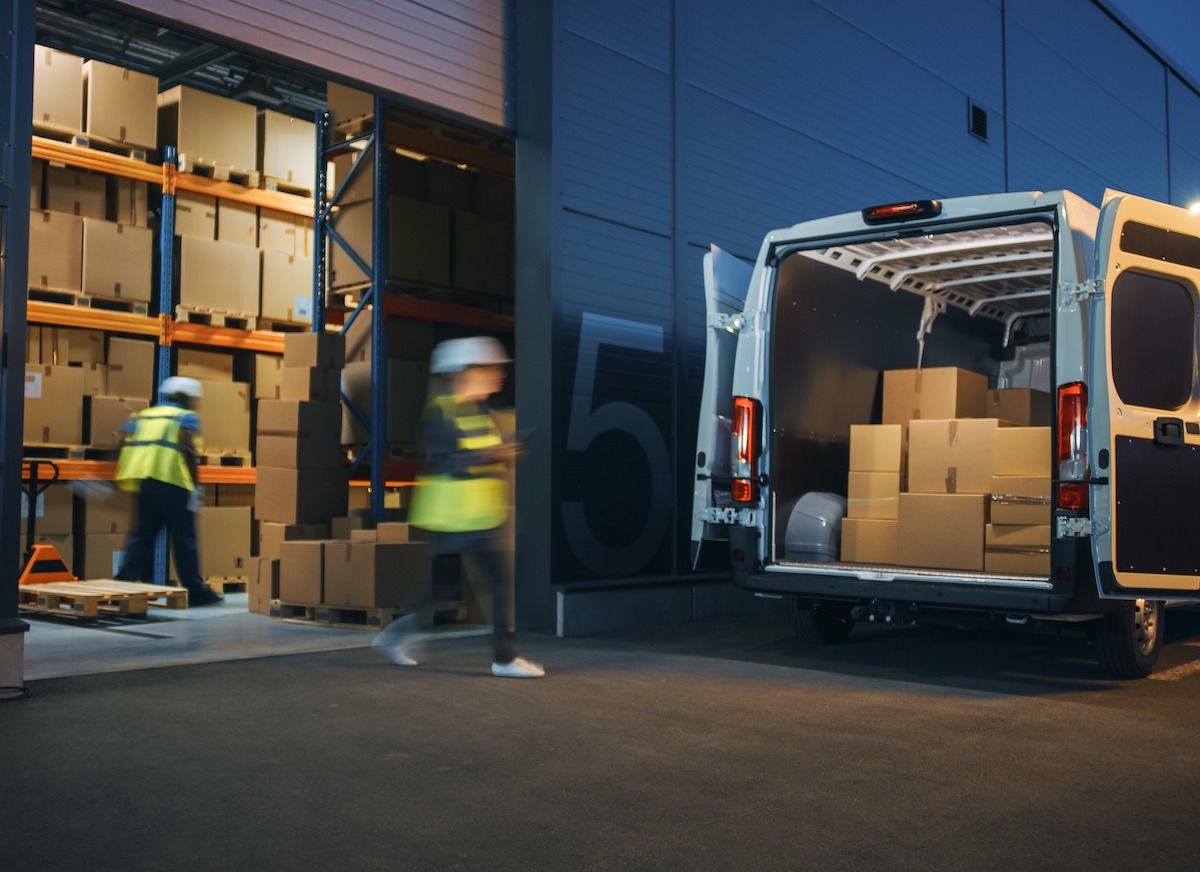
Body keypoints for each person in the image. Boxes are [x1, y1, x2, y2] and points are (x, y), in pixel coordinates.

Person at [372, 337, 544, 678]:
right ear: (465, 373)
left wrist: (505, 453)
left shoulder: (479, 412)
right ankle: (504, 659)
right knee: (495, 580)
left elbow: (479, 458)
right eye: (489, 369)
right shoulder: (441, 414)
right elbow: (449, 460)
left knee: (444, 588)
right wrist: (496, 454)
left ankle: (397, 635)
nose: (497, 376)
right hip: (454, 517)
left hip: (478, 515)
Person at [113, 376, 223, 607]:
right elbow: (187, 447)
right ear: (186, 397)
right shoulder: (185, 417)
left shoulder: (143, 415)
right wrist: (195, 486)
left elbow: (123, 438)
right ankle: (195, 590)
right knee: (184, 538)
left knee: (141, 535)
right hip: (173, 482)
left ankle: (122, 584)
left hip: (144, 482)